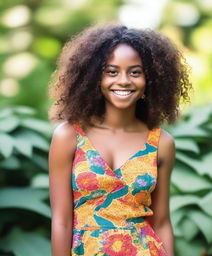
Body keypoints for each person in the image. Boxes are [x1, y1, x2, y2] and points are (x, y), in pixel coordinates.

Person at [48, 23, 191, 256]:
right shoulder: (69, 137)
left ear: (149, 80)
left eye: (135, 72)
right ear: (95, 77)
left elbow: (162, 222)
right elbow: (61, 222)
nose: (123, 80)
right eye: (111, 71)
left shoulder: (161, 143)